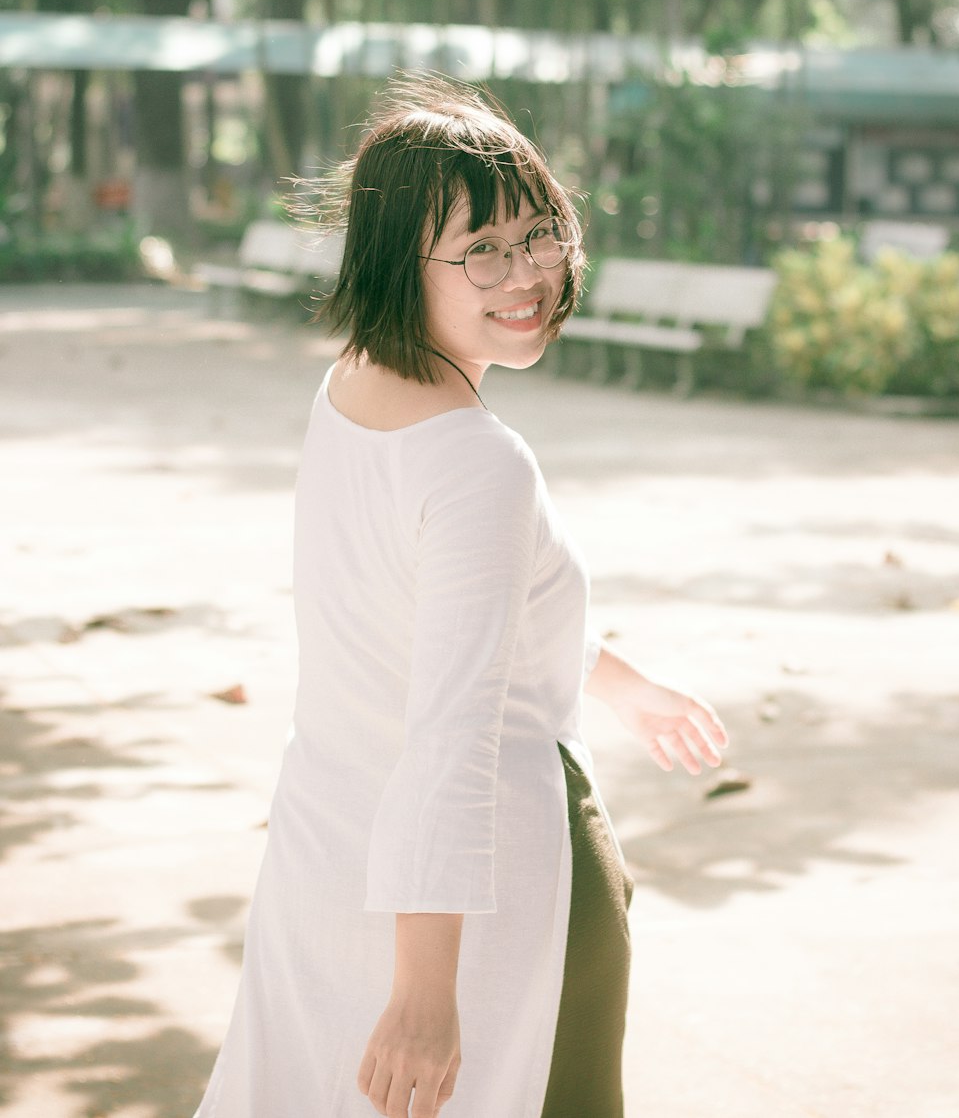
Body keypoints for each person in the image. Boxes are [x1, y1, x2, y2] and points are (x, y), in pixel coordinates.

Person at [193, 74, 728, 1118]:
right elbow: (452, 737)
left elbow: (437, 621)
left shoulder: (350, 388)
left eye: (537, 235)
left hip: (328, 869)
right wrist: (426, 994)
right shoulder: (479, 462)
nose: (525, 273)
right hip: (477, 911)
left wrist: (618, 683)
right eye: (479, 249)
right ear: (404, 260)